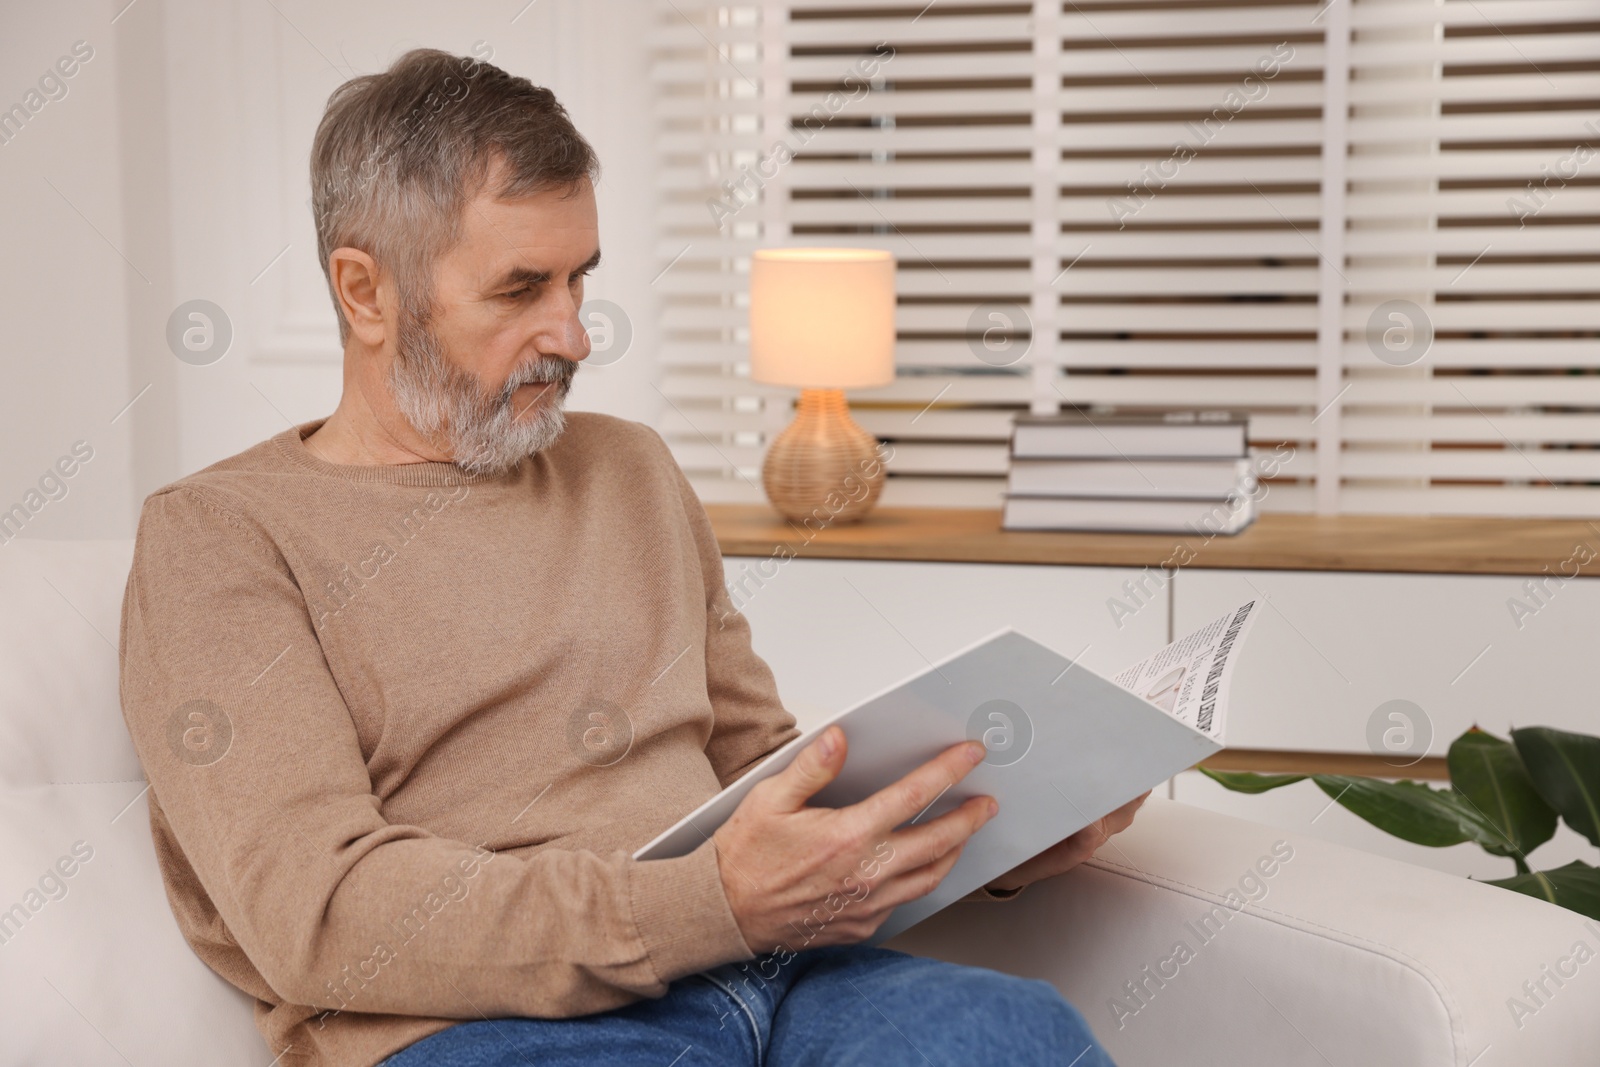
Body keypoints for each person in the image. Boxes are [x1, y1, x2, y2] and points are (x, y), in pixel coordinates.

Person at [117, 47, 1144, 1067]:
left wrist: (985, 831)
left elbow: (762, 776)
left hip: (782, 975)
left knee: (1020, 1037)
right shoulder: (218, 535)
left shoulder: (628, 469)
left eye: (578, 279)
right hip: (487, 1026)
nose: (573, 333)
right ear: (364, 292)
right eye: (520, 288)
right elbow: (322, 914)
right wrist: (708, 902)